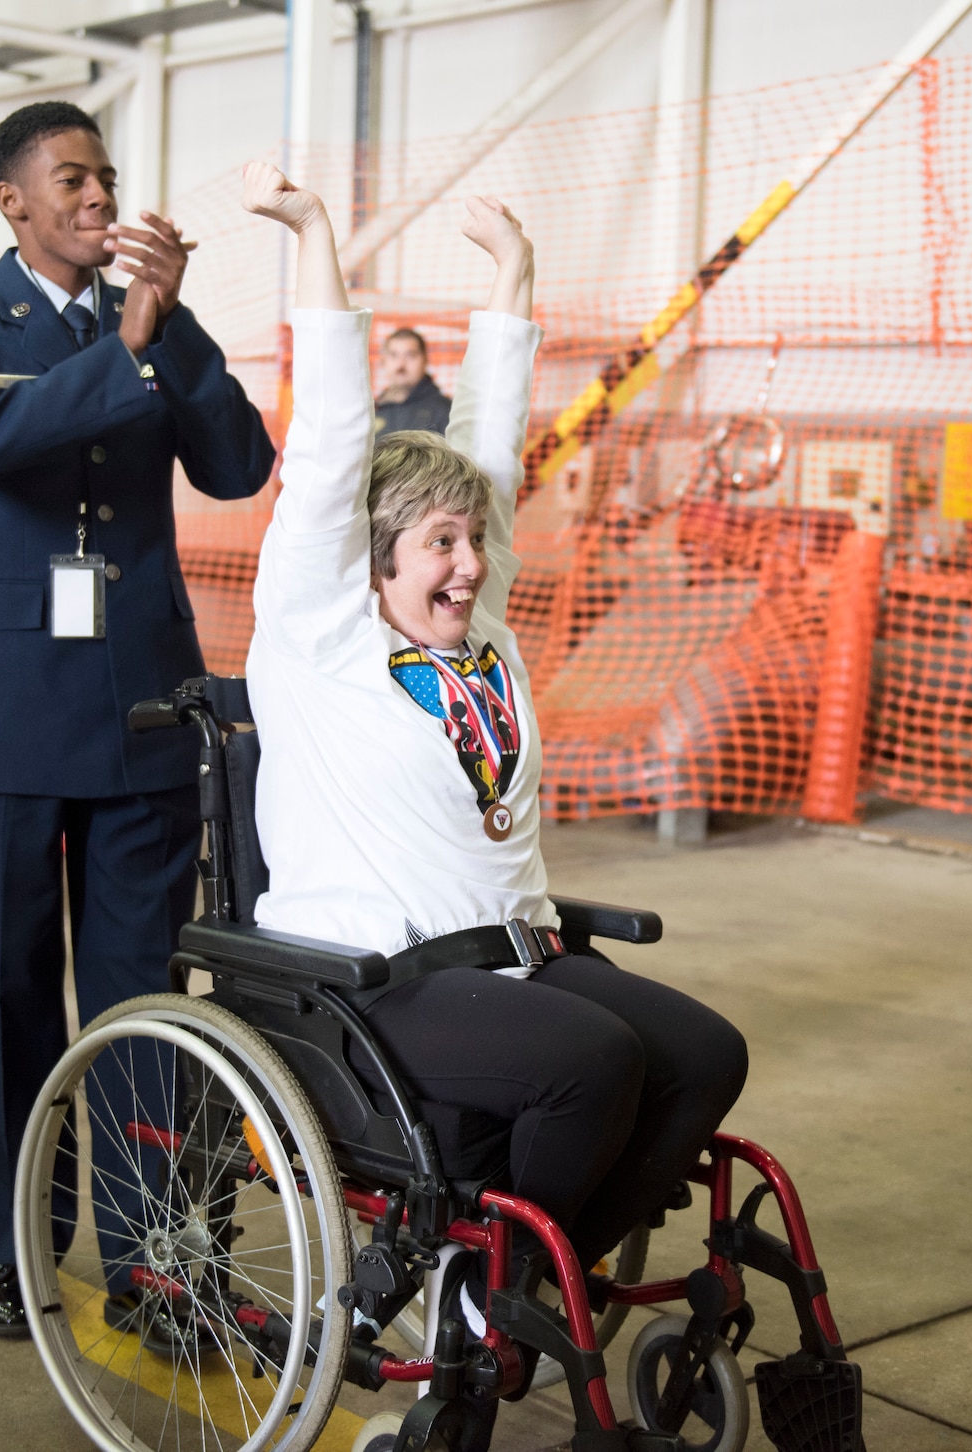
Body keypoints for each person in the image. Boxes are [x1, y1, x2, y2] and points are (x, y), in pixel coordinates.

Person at [241, 160, 747, 1328]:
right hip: (380, 976)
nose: (466, 563)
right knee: (591, 1063)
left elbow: (491, 449)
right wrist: (318, 243)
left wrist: (514, 281)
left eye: (473, 542)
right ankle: (500, 1290)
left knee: (705, 1054)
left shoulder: (483, 638)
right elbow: (326, 450)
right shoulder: (320, 640)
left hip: (511, 951)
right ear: (371, 561)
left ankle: (515, 1279)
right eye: (436, 544)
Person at [0, 101, 276, 1339]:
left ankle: (157, 1267)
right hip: (1, 719)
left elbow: (235, 467)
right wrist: (128, 343)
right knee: (12, 995)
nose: (99, 196)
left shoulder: (158, 324)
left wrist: (179, 334)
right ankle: (19, 1250)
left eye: (106, 176)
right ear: (13, 200)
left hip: (142, 713)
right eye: (72, 178)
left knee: (142, 1001)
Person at [374, 326, 452, 435]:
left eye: (410, 355)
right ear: (383, 361)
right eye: (394, 355)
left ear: (425, 360)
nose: (401, 364)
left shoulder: (445, 411)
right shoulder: (373, 411)